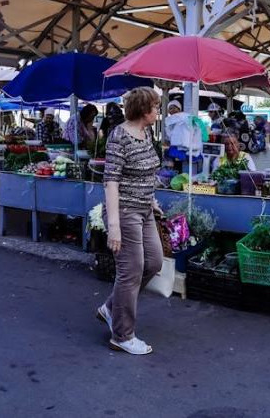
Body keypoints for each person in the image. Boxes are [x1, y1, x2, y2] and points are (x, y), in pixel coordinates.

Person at [97, 86, 163, 355]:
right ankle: (122, 335)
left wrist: (152, 200)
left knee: (155, 262)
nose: (158, 112)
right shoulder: (119, 136)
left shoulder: (145, 133)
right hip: (124, 213)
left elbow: (145, 173)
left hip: (145, 210)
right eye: (156, 107)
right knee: (131, 271)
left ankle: (111, 308)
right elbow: (111, 181)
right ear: (144, 110)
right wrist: (113, 227)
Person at [163, 99, 202, 172]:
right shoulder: (170, 122)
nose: (172, 110)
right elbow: (169, 137)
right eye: (170, 109)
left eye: (174, 108)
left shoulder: (185, 119)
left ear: (179, 108)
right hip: (177, 149)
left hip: (187, 149)